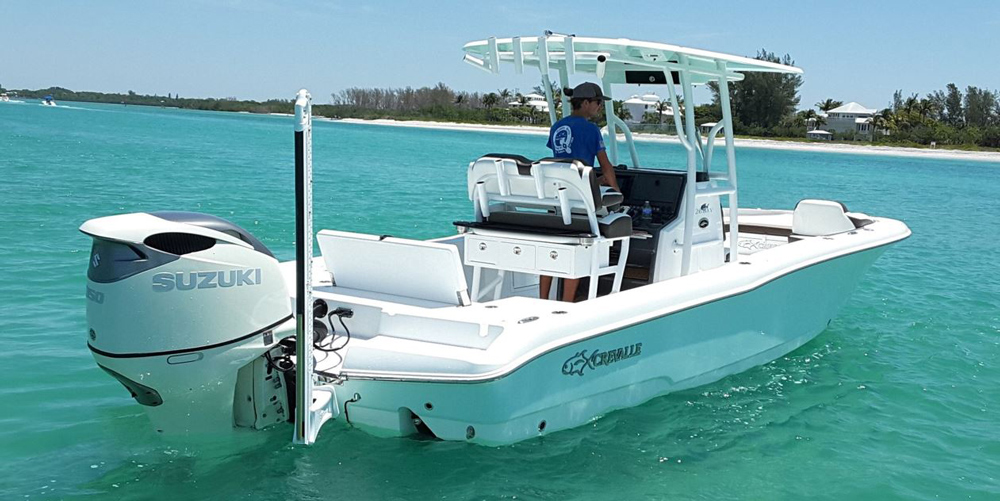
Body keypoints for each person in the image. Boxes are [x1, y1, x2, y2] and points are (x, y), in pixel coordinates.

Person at [539, 82, 620, 302]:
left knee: (553, 250)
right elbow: (606, 166)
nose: (599, 108)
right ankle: (567, 303)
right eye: (598, 103)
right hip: (580, 200)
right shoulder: (591, 130)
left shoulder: (557, 127)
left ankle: (543, 299)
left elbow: (565, 160)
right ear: (585, 103)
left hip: (558, 198)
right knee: (577, 252)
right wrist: (616, 193)